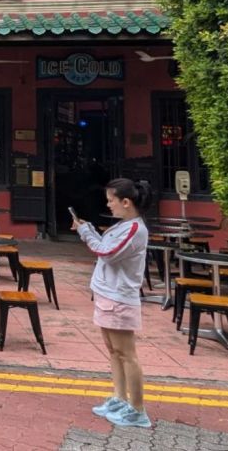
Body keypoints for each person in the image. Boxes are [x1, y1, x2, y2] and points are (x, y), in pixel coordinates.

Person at [73, 178, 152, 428]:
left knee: (126, 353)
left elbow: (107, 253)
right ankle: (120, 397)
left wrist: (86, 233)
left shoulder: (135, 229)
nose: (108, 205)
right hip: (108, 294)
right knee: (114, 351)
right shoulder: (123, 225)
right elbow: (106, 246)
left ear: (126, 202)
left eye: (111, 200)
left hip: (119, 297)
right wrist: (90, 230)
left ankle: (137, 409)